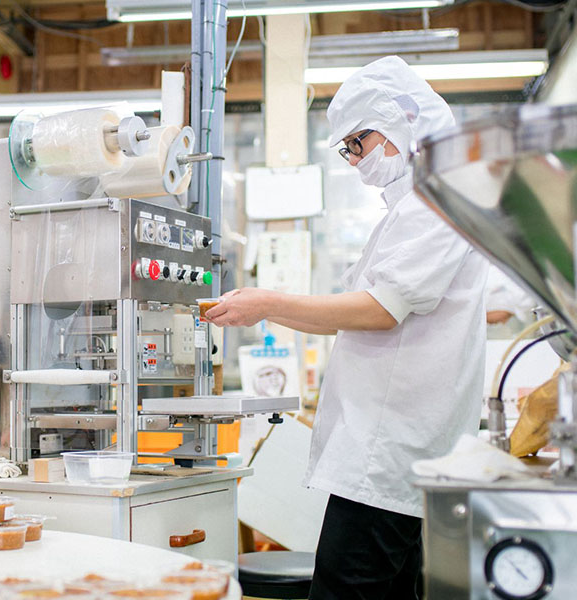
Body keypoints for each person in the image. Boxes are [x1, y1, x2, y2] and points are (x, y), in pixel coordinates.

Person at [206, 56, 488, 600]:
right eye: (348, 149)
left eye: (359, 142)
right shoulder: (408, 208)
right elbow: (354, 315)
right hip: (390, 451)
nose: (355, 159)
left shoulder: (436, 204)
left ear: (404, 121)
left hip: (390, 451)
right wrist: (263, 308)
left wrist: (269, 302)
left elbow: (379, 310)